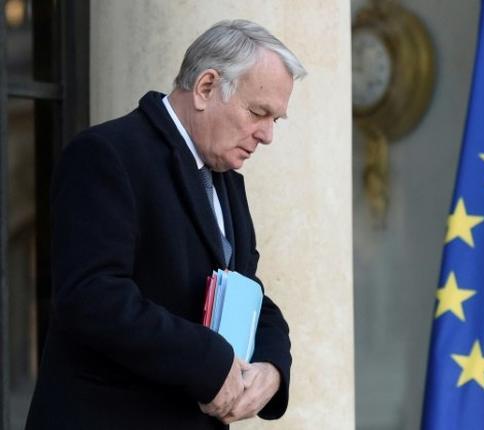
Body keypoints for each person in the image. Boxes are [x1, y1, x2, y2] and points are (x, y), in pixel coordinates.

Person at [25, 19, 306, 429]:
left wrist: (272, 367)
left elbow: (248, 293)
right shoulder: (106, 154)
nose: (266, 136)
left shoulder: (225, 179)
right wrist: (212, 363)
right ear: (206, 87)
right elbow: (92, 296)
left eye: (275, 120)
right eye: (258, 112)